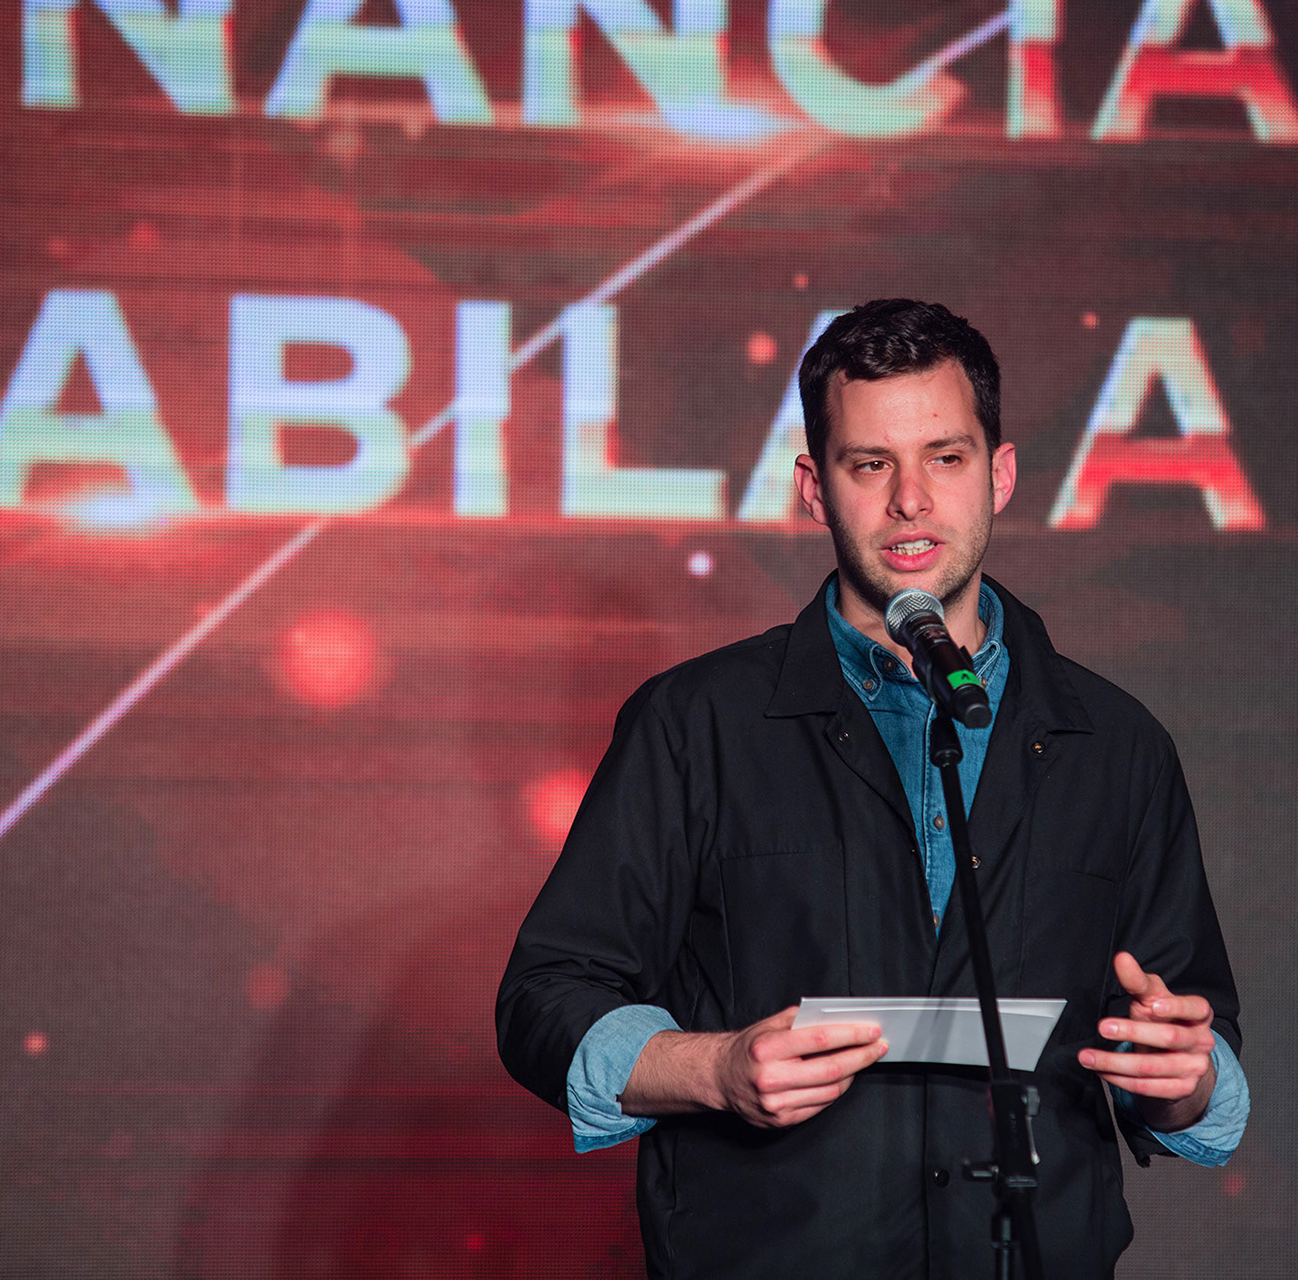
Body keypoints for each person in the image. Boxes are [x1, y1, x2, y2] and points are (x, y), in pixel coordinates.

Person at [497, 299, 1248, 1279]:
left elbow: (1194, 1047)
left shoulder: (1119, 744)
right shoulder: (695, 723)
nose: (910, 501)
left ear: (1000, 474)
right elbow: (544, 998)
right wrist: (714, 1069)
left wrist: (1184, 1079)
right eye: (869, 464)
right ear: (815, 488)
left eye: (945, 457)